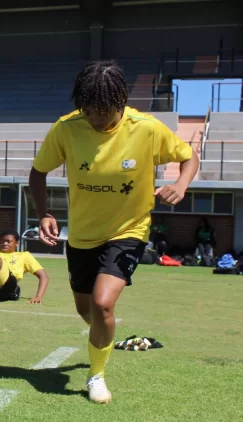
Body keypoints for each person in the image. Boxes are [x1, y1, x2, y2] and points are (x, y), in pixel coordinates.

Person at [29, 60, 199, 404]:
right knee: (86, 311)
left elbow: (189, 156)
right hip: (81, 236)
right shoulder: (67, 128)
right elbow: (38, 172)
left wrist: (181, 183)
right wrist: (43, 213)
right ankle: (105, 338)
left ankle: (96, 376)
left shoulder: (146, 128)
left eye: (102, 110)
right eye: (88, 110)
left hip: (128, 231)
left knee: (103, 305)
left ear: (120, 102)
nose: (95, 117)